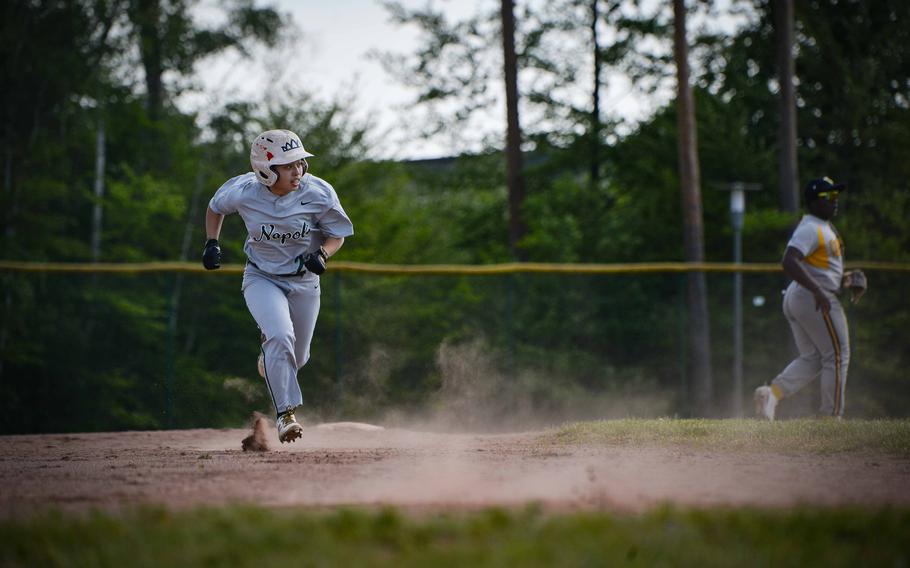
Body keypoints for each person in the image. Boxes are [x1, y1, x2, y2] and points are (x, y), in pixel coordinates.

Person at [202, 129, 354, 443]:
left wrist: (323, 253)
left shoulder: (319, 192)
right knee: (280, 336)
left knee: (298, 358)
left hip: (304, 282)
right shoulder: (245, 190)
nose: (297, 170)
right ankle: (285, 415)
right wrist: (211, 242)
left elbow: (336, 234)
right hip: (262, 277)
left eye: (299, 162)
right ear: (265, 171)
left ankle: (269, 355)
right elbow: (216, 206)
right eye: (287, 165)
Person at [754, 176, 866, 421]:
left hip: (802, 295)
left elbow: (819, 270)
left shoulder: (823, 228)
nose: (834, 201)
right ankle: (831, 416)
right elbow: (789, 260)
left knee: (814, 357)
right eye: (828, 197)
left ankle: (771, 394)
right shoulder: (811, 227)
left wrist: (846, 280)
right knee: (837, 355)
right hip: (813, 297)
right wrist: (818, 290)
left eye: (836, 195)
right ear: (814, 202)